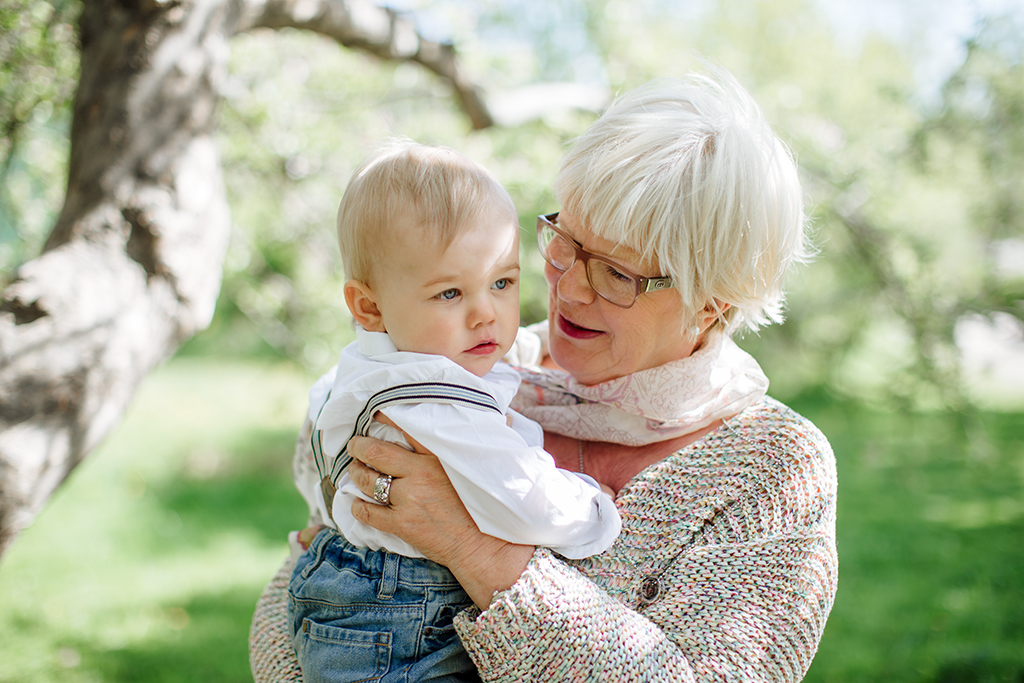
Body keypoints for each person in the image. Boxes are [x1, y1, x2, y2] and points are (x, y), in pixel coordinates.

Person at [251, 64, 838, 683]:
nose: (569, 288)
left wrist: (476, 550)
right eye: (566, 241)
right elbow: (295, 611)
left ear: (712, 302)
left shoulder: (771, 468)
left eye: (617, 274)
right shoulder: (449, 371)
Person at [287, 140, 621, 683]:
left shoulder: (361, 370)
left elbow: (315, 456)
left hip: (340, 594)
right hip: (402, 625)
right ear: (369, 306)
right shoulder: (441, 399)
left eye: (502, 283)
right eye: (449, 294)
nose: (485, 314)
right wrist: (593, 511)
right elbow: (522, 495)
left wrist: (325, 519)